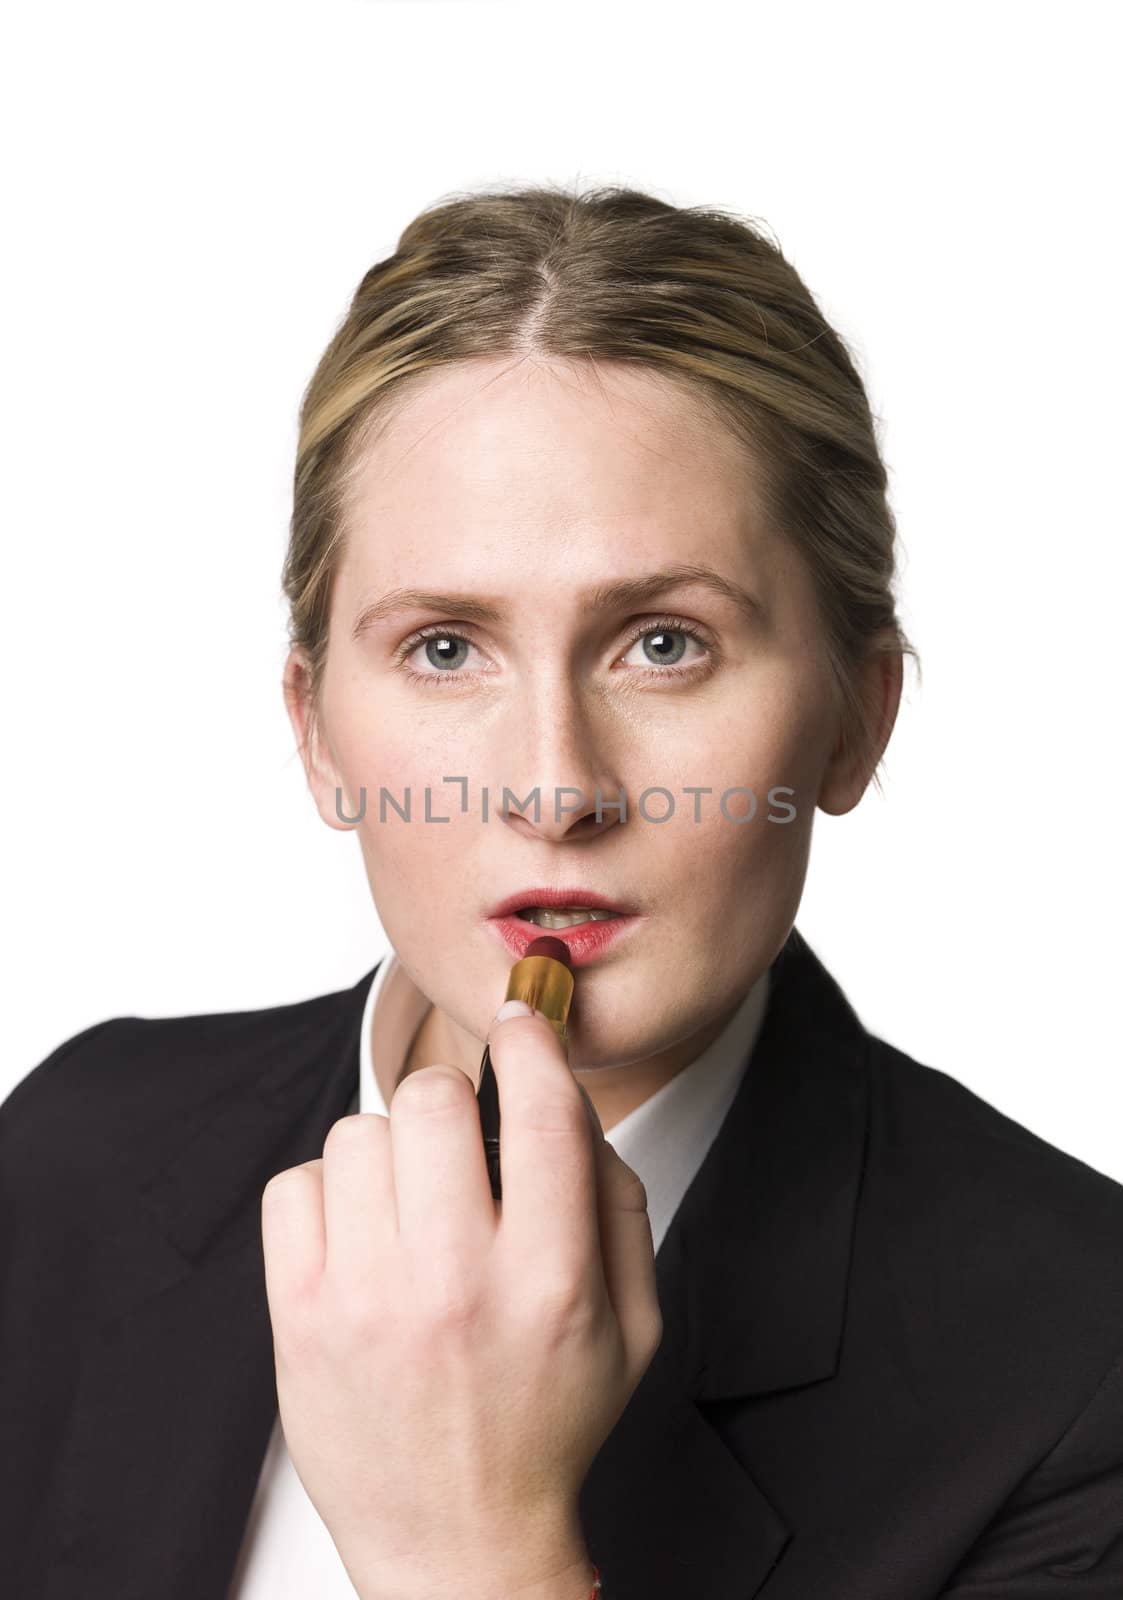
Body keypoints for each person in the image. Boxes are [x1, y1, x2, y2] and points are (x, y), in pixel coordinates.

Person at [3, 183, 1122, 1600]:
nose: (553, 787)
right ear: (315, 730)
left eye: (664, 643)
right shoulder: (71, 1161)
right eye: (447, 649)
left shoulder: (1084, 1370)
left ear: (856, 716)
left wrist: (468, 1546)